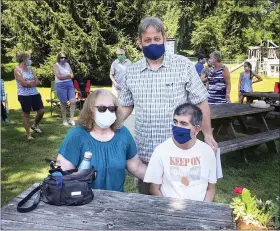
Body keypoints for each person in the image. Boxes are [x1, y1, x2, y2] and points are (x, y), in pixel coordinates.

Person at [119, 17, 217, 194]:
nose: (153, 43)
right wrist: (107, 124)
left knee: (186, 201)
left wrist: (208, 134)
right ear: (139, 43)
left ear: (165, 37)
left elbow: (201, 102)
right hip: (146, 154)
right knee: (149, 204)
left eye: (157, 39)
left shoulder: (183, 65)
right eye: (147, 40)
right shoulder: (131, 72)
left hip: (181, 155)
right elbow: (126, 106)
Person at [56, 89, 147, 191]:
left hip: (117, 201)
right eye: (102, 108)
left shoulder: (123, 133)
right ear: (90, 110)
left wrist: (161, 179)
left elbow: (137, 167)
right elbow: (63, 173)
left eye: (112, 108)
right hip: (83, 200)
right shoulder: (77, 135)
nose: (108, 112)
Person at [144, 103, 216, 201]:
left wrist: (202, 209)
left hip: (199, 208)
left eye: (183, 123)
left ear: (196, 129)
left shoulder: (207, 152)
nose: (177, 127)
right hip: (170, 209)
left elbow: (211, 189)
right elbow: (154, 188)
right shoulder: (161, 151)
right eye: (175, 121)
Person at [14, 52, 45, 140]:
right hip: (24, 95)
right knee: (26, 114)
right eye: (29, 58)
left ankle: (34, 125)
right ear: (24, 59)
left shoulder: (30, 69)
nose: (30, 60)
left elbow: (38, 81)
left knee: (41, 111)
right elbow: (23, 84)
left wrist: (30, 83)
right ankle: (28, 134)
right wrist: (31, 82)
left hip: (35, 93)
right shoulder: (17, 70)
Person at [53, 52, 76, 126]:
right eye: (61, 57)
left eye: (65, 58)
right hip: (60, 85)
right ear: (58, 58)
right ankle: (64, 120)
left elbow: (72, 75)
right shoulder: (56, 65)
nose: (63, 59)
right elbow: (59, 76)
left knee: (73, 101)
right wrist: (68, 75)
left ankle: (71, 119)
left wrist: (66, 76)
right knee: (64, 103)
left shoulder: (68, 64)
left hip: (69, 84)